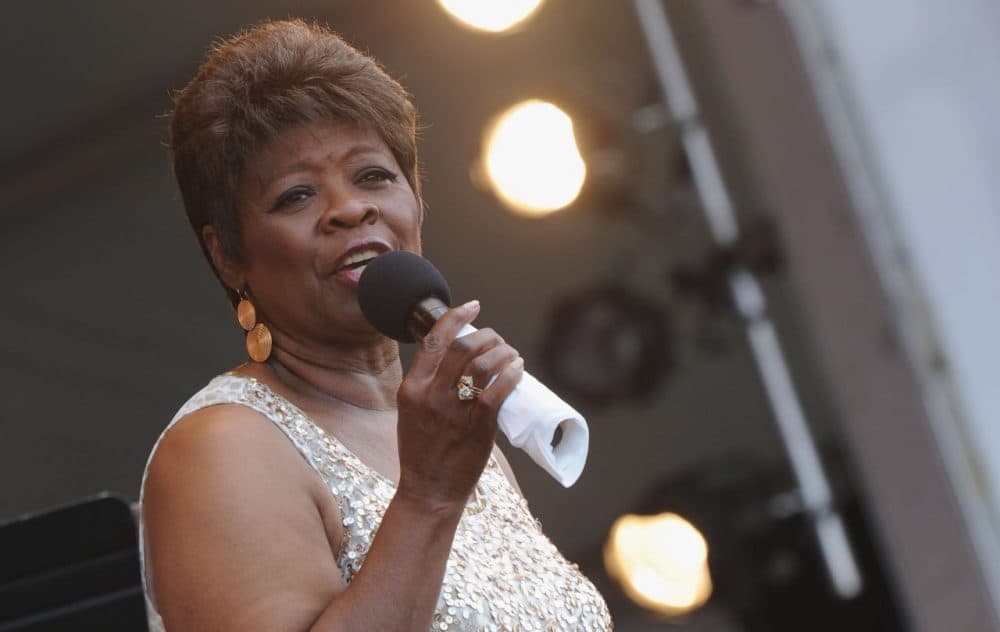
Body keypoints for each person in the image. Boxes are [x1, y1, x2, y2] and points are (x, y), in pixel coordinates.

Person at [138, 19, 612, 632]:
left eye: (372, 176)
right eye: (296, 195)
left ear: (415, 197)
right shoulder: (223, 447)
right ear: (228, 255)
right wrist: (429, 495)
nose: (350, 208)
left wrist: (437, 481)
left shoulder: (458, 438)